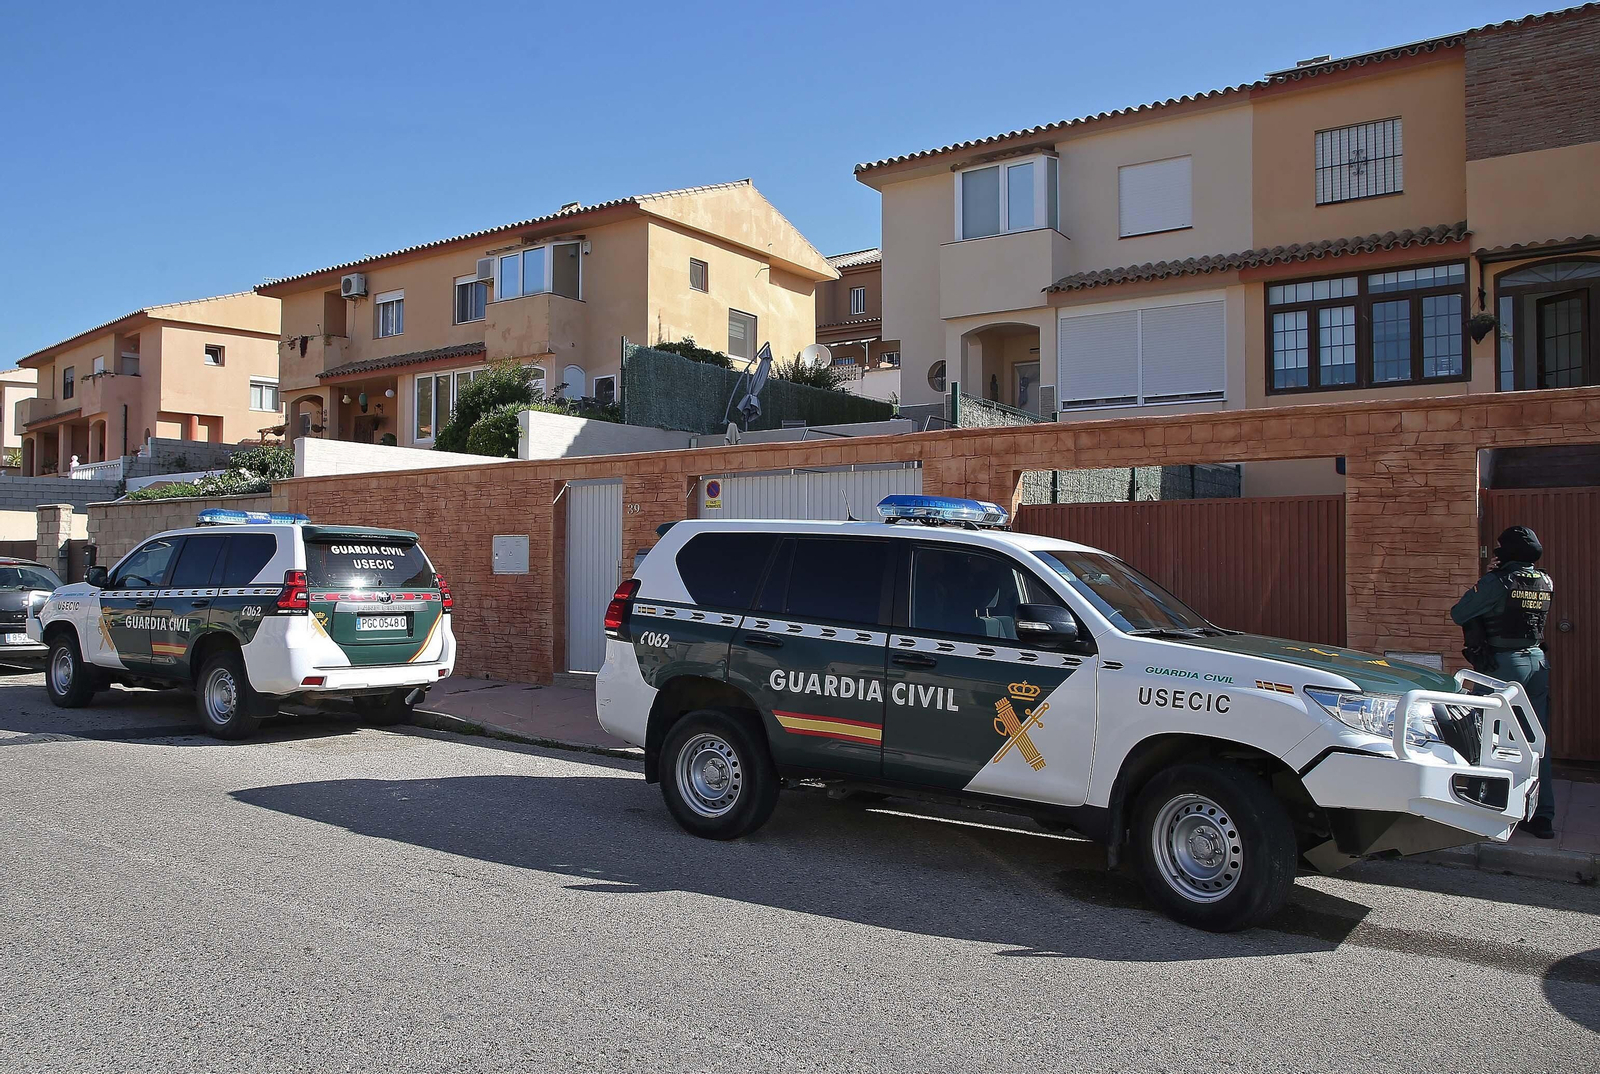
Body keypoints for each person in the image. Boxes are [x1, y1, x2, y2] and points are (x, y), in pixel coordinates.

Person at [1450, 526, 1555, 838]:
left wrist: (1487, 580)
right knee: (1536, 742)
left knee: (1486, 739)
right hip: (1536, 662)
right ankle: (1541, 817)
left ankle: (1485, 808)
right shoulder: (1545, 579)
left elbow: (1459, 613)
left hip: (1502, 666)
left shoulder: (1498, 581)